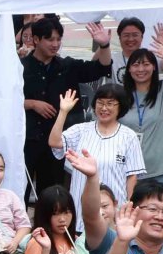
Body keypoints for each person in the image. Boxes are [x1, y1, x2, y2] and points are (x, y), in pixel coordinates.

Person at [22, 17, 113, 194]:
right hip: (27, 139)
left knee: (53, 192)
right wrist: (31, 104)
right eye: (50, 39)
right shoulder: (21, 67)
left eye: (58, 39)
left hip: (58, 142)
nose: (55, 44)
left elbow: (101, 68)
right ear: (36, 39)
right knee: (21, 189)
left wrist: (104, 45)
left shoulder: (68, 65)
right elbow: (5, 99)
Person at [50, 84, 143, 212]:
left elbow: (132, 176)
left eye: (110, 103)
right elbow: (54, 142)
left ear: (121, 106)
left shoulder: (129, 136)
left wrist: (129, 205)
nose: (104, 108)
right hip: (80, 206)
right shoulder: (81, 130)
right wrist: (63, 111)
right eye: (100, 103)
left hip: (113, 209)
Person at [121, 38, 163, 191]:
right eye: (135, 65)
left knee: (159, 211)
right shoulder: (122, 95)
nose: (140, 69)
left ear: (154, 68)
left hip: (161, 168)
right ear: (129, 69)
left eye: (146, 64)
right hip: (129, 167)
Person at [24, 187, 88, 254]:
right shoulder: (37, 243)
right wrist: (45, 249)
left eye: (67, 212)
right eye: (55, 213)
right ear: (44, 215)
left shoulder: (75, 240)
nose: (62, 219)